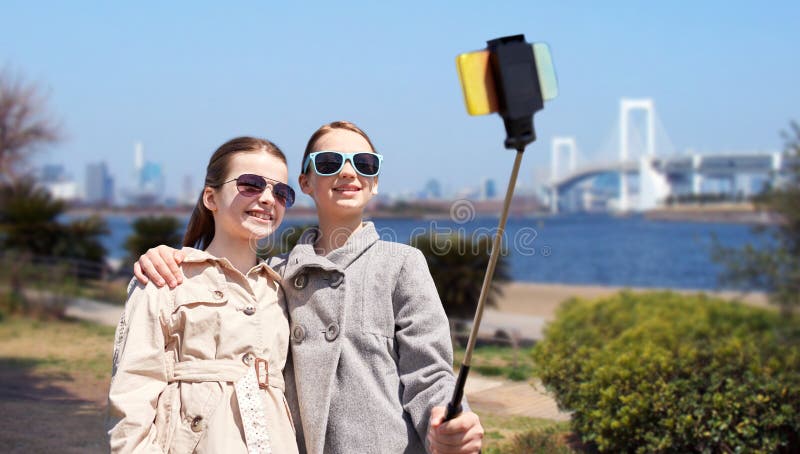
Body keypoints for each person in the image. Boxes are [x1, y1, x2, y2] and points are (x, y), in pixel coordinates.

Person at [134, 121, 485, 453]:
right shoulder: (273, 276)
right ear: (305, 183)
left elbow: (429, 373)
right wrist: (170, 257)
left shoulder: (401, 263)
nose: (349, 172)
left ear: (375, 182)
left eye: (364, 163)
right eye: (330, 162)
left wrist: (448, 422)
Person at [108, 137, 299, 453]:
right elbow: (133, 395)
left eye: (281, 192)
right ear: (211, 197)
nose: (268, 198)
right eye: (251, 184)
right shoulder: (166, 279)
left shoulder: (284, 290)